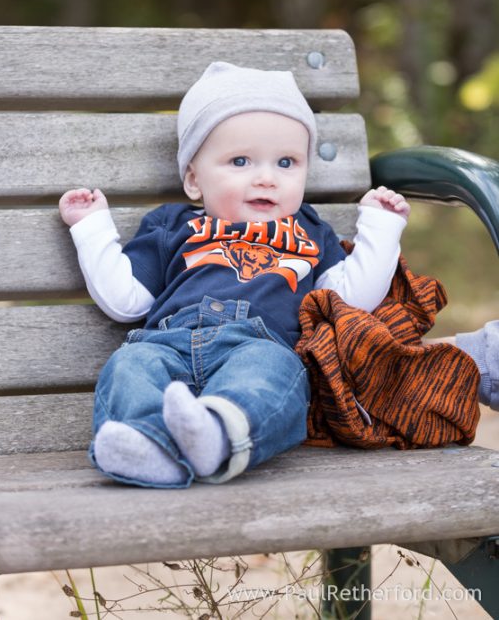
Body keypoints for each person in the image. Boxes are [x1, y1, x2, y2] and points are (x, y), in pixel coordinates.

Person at [59, 61, 497, 488]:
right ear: (194, 179)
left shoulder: (309, 232)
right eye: (240, 161)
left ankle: (218, 435)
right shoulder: (172, 225)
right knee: (130, 365)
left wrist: (381, 228)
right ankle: (147, 446)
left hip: (261, 343)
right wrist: (91, 227)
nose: (267, 178)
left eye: (286, 163)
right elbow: (127, 301)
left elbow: (353, 299)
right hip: (167, 342)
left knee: (272, 374)